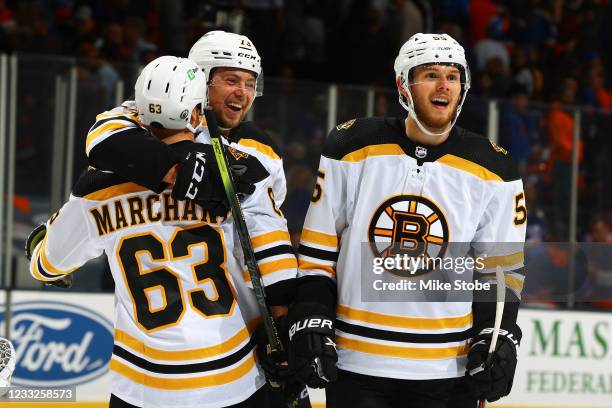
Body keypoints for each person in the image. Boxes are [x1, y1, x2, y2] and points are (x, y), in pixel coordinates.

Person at [26, 56, 295, 408]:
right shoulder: (239, 175)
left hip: (139, 386)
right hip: (230, 377)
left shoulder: (97, 189)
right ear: (198, 114)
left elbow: (46, 264)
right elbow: (277, 263)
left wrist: (45, 240)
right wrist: (286, 332)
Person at [287, 33, 527, 407]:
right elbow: (318, 254)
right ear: (404, 84)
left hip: (449, 368)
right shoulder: (350, 147)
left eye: (453, 75)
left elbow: (499, 272)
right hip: (356, 363)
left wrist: (498, 335)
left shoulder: (495, 167)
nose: (444, 84)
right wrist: (312, 315)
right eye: (430, 74)